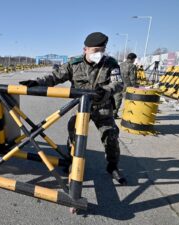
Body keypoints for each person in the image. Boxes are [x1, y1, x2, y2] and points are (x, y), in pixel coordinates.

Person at [19, 32, 127, 185]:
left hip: (103, 107)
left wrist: (107, 90)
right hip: (80, 108)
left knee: (111, 137)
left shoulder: (110, 63)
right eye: (95, 50)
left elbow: (119, 84)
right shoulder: (73, 64)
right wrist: (36, 83)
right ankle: (71, 162)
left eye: (102, 49)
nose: (99, 53)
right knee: (74, 137)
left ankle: (112, 166)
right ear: (85, 50)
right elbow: (54, 77)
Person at [113, 53, 137, 118]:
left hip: (118, 85)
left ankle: (114, 114)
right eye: (134, 59)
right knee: (129, 101)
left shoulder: (120, 64)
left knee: (117, 100)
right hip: (127, 86)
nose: (134, 60)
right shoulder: (132, 66)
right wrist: (135, 86)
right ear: (133, 59)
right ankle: (127, 115)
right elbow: (132, 78)